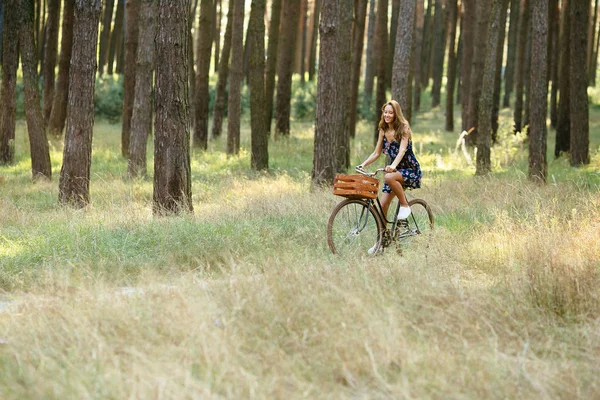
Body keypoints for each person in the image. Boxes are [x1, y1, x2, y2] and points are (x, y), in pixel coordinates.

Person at [357, 100, 421, 223]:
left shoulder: (404, 128)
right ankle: (384, 237)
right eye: (385, 112)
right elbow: (376, 153)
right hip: (394, 170)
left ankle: (405, 206)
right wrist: (363, 164)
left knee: (388, 177)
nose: (387, 115)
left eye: (390, 113)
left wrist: (392, 165)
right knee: (383, 205)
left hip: (410, 169)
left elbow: (402, 151)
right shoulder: (383, 129)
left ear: (396, 114)